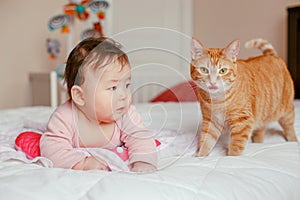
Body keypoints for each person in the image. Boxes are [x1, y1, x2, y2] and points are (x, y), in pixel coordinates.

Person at [40, 37, 158, 172]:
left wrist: (143, 162)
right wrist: (81, 163)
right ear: (80, 96)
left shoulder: (125, 113)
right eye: (113, 88)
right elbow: (52, 148)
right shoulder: (65, 117)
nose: (123, 95)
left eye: (126, 85)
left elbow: (140, 136)